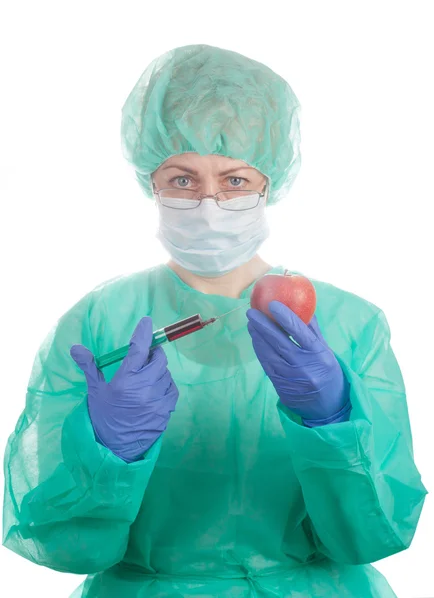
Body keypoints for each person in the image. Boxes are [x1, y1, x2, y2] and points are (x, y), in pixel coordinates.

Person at [2, 44, 427, 598]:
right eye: (182, 179)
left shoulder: (350, 323)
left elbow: (375, 534)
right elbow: (64, 544)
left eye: (234, 181)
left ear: (268, 183)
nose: (207, 203)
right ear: (149, 182)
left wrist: (334, 423)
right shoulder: (100, 322)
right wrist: (106, 451)